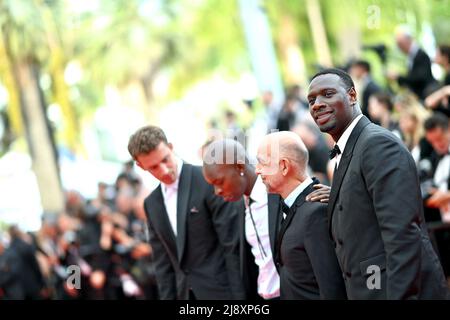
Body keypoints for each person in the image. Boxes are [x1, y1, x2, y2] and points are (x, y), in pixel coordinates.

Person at [307, 67, 450, 299]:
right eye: (311, 100)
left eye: (328, 94)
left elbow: (402, 235)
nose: (317, 104)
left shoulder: (377, 145)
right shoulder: (350, 149)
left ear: (352, 96)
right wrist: (338, 195)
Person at [127, 126, 245, 300]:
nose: (164, 170)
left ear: (171, 147)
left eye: (165, 159)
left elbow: (232, 246)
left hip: (223, 293)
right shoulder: (152, 204)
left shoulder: (207, 180)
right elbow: (163, 264)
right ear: (140, 166)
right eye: (153, 167)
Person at [255, 131, 347, 300]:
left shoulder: (315, 212)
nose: (257, 170)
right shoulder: (283, 204)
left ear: (283, 166)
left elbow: (331, 287)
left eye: (262, 163)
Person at [202, 139, 281, 300]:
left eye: (219, 182)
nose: (217, 191)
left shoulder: (278, 194)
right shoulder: (239, 206)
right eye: (212, 185)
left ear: (239, 167)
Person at [387, 26, 436, 100]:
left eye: (400, 44)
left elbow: (419, 78)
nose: (399, 47)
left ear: (408, 40)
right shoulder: (412, 56)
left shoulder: (421, 55)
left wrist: (398, 77)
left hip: (427, 95)